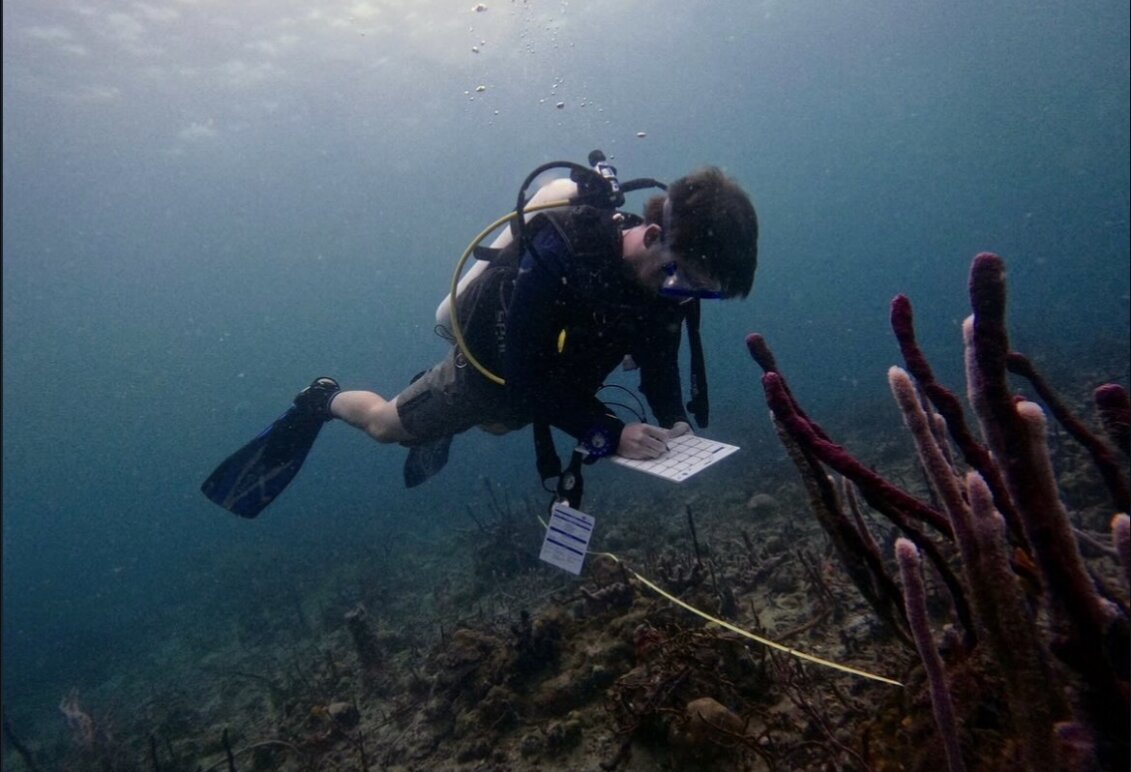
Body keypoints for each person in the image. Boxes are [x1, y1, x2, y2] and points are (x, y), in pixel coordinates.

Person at [202, 164, 758, 517]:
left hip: (554, 378)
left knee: (497, 425)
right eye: (685, 280)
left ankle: (437, 407)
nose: (685, 297)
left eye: (703, 293)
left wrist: (673, 418)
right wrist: (609, 433)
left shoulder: (671, 281)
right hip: (491, 367)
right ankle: (321, 398)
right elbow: (522, 377)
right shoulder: (562, 253)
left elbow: (661, 355)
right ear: (655, 236)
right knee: (387, 427)